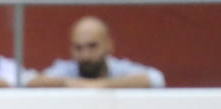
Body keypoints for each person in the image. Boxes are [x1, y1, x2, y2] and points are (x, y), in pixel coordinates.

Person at [27, 16, 164, 88]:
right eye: (78, 48)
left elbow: (156, 78)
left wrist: (103, 85)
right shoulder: (67, 70)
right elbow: (30, 81)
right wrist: (67, 83)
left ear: (109, 46)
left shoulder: (118, 68)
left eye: (92, 46)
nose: (85, 55)